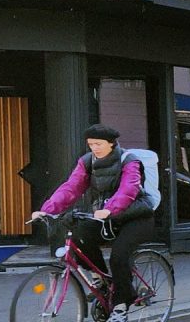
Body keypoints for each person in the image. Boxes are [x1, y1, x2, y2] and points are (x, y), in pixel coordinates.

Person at [31, 124, 156, 322]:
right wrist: (47, 210)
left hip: (135, 217)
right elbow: (71, 188)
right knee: (78, 235)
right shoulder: (87, 162)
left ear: (112, 144)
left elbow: (128, 189)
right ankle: (102, 280)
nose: (94, 148)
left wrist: (110, 209)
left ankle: (121, 306)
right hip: (105, 217)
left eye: (99, 144)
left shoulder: (128, 161)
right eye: (91, 144)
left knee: (119, 256)